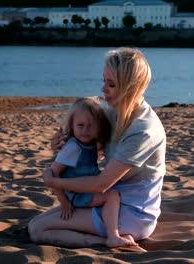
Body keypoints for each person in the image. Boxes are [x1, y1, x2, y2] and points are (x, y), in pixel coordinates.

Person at [28, 47, 166, 249]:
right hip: (112, 200)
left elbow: (101, 183)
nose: (103, 89)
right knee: (35, 222)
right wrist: (59, 143)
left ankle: (105, 241)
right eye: (104, 81)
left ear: (130, 88)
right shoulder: (114, 113)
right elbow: (90, 148)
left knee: (38, 230)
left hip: (134, 213)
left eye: (111, 84)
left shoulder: (143, 130)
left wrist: (54, 181)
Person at [48, 96, 136, 247]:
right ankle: (113, 236)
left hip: (84, 189)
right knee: (112, 196)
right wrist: (63, 201)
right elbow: (53, 173)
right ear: (72, 125)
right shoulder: (72, 147)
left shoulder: (90, 144)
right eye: (80, 125)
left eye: (90, 126)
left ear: (98, 128)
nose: (85, 130)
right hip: (78, 194)